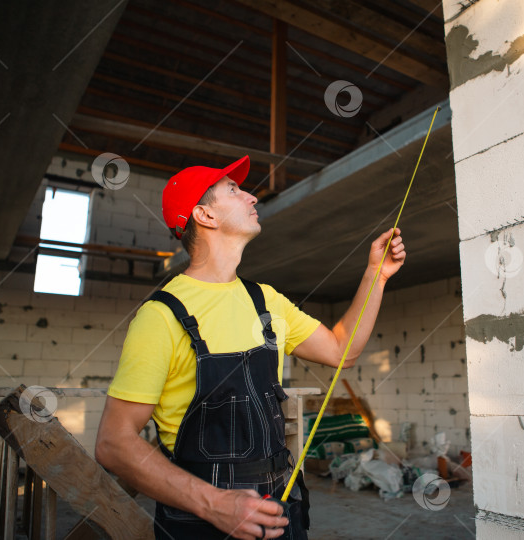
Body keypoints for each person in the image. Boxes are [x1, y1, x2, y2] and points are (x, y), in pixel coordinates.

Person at [95, 155, 406, 539]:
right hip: (202, 521)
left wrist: (376, 275)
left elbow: (342, 351)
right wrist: (215, 503)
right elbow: (114, 444)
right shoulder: (162, 315)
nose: (252, 197)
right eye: (233, 190)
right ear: (204, 216)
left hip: (278, 507)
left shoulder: (266, 300)